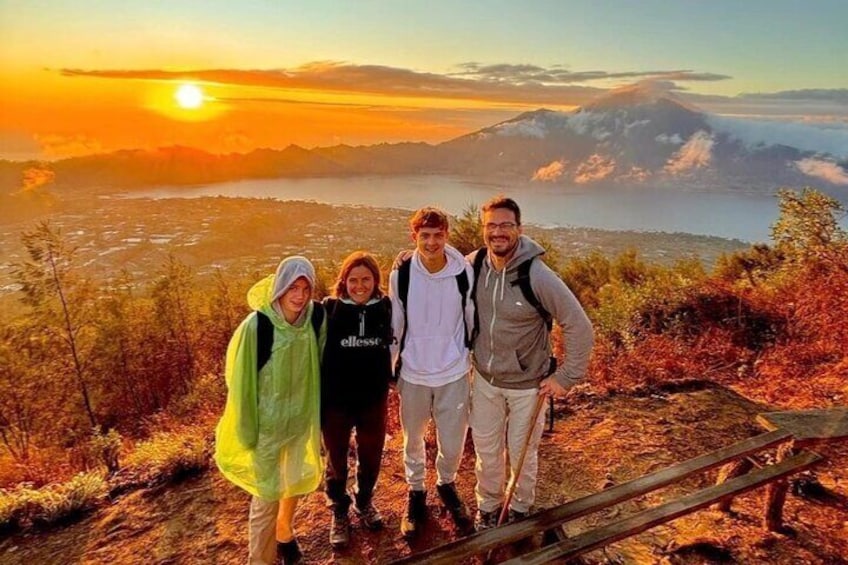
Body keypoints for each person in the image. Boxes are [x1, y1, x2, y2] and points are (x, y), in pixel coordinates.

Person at [469, 196, 594, 531]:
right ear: (484, 230)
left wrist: (566, 377)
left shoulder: (536, 274)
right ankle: (489, 506)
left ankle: (520, 509)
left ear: (519, 229)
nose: (498, 232)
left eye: (506, 225)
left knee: (522, 453)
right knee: (486, 450)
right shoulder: (474, 264)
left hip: (528, 386)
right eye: (491, 226)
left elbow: (579, 325)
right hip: (484, 379)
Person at [214, 256, 326, 565]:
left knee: (293, 484)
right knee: (265, 501)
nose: (299, 296)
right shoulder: (258, 326)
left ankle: (285, 534)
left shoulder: (315, 320)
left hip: (300, 424)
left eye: (305, 288)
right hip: (266, 431)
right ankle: (259, 560)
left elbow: (320, 367)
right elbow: (241, 383)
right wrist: (247, 430)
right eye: (292, 287)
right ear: (279, 287)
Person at [389, 207, 475, 538]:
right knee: (412, 439)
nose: (431, 242)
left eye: (438, 235)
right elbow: (396, 320)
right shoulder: (402, 274)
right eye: (424, 236)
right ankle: (415, 492)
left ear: (447, 236)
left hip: (453, 371)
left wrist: (467, 355)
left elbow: (470, 316)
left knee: (452, 440)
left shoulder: (462, 272)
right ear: (414, 238)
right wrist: (392, 366)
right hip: (413, 371)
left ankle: (447, 483)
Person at [320, 251, 393, 548]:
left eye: (366, 279)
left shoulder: (386, 307)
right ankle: (339, 510)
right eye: (353, 280)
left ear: (376, 281)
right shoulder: (329, 308)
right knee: (336, 459)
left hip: (373, 399)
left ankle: (364, 502)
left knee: (371, 456)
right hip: (336, 401)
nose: (360, 286)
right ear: (343, 281)